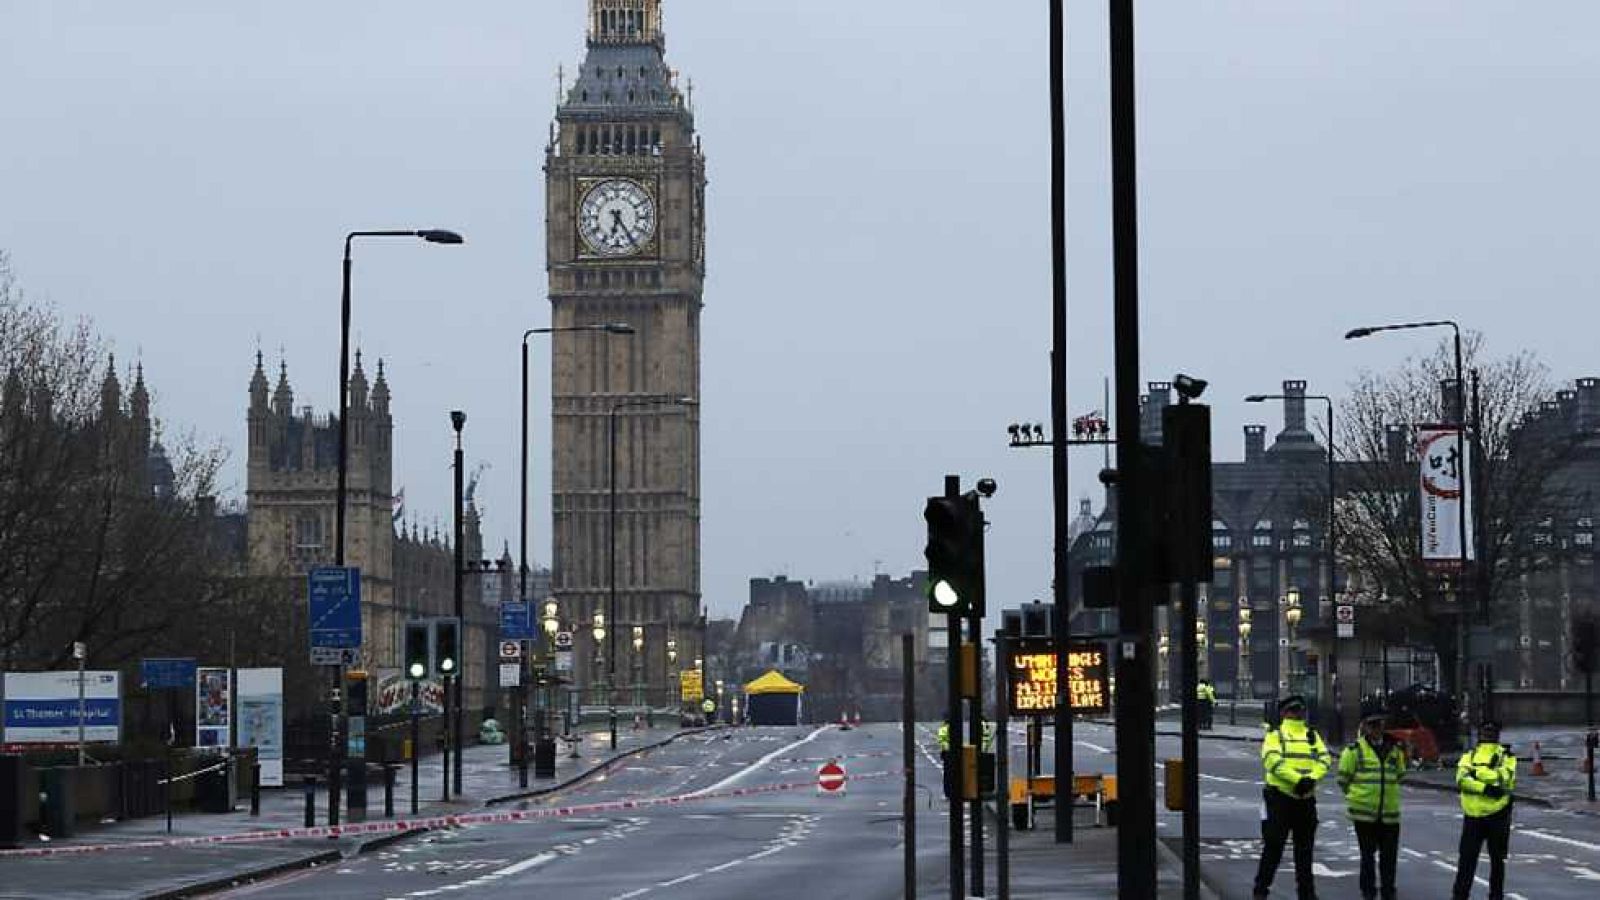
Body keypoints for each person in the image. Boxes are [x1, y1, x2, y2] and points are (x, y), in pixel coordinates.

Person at [1253, 695, 1332, 900]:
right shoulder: (1275, 735)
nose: (1298, 714)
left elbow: (1324, 759)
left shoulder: (1312, 735)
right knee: (1274, 848)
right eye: (1293, 710)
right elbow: (1273, 762)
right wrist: (1299, 780)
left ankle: (1306, 894)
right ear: (1284, 713)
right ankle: (1261, 890)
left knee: (1305, 853)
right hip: (1280, 799)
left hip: (1305, 800)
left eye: (1300, 710)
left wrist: (1312, 778)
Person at [1337, 715, 1407, 900]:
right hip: (1364, 813)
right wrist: (1358, 798)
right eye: (1371, 726)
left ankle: (1388, 891)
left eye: (1378, 725)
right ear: (1365, 727)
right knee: (1367, 855)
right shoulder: (1354, 750)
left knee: (1389, 857)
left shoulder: (1394, 750)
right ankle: (1368, 891)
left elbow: (1400, 774)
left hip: (1390, 813)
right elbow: (1343, 779)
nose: (1375, 729)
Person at [1450, 719, 1517, 900]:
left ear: (1496, 735)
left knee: (1496, 862)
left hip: (1498, 814)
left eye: (1490, 732)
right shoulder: (1470, 755)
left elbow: (1503, 779)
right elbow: (1461, 780)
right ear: (1480, 734)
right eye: (1485, 732)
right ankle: (1460, 896)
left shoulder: (1506, 756)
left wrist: (1476, 774)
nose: (1487, 735)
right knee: (1467, 861)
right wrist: (1486, 787)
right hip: (1474, 815)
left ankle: (1494, 896)